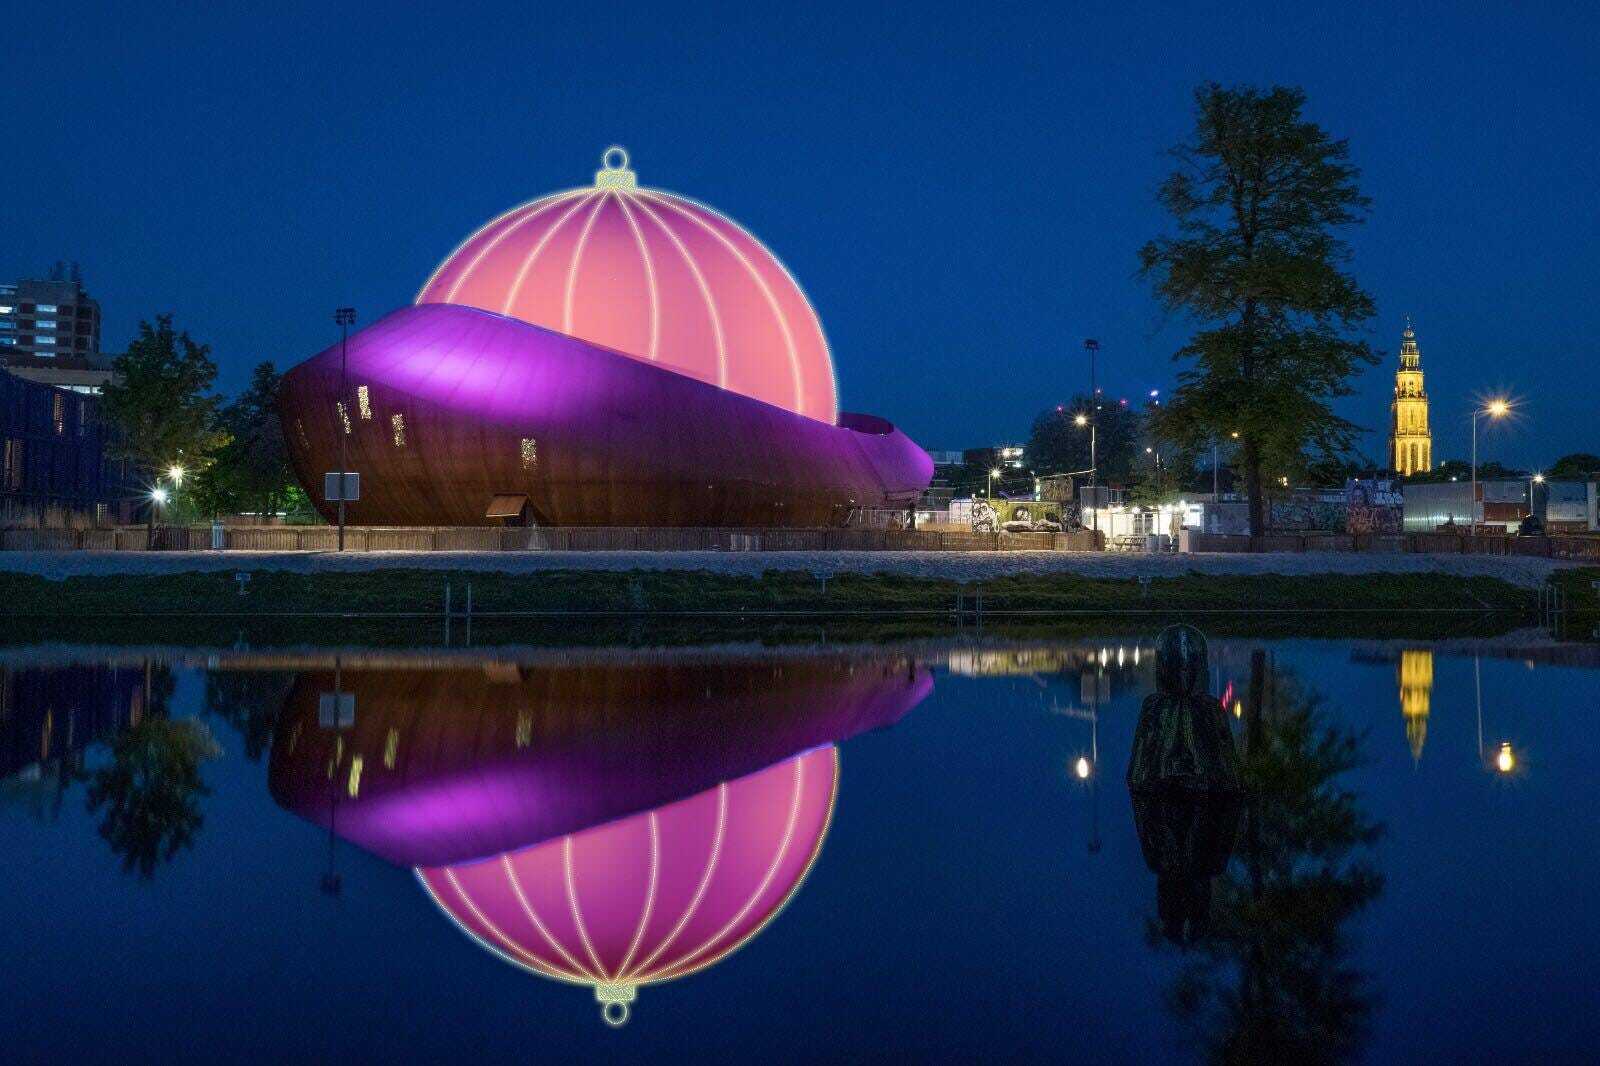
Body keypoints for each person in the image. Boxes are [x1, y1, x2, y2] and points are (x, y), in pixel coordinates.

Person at [1126, 624, 1242, 793]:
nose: (1183, 673)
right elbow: (1230, 770)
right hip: (1198, 796)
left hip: (1176, 796)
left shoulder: (1155, 706)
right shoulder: (1209, 708)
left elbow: (1137, 771)